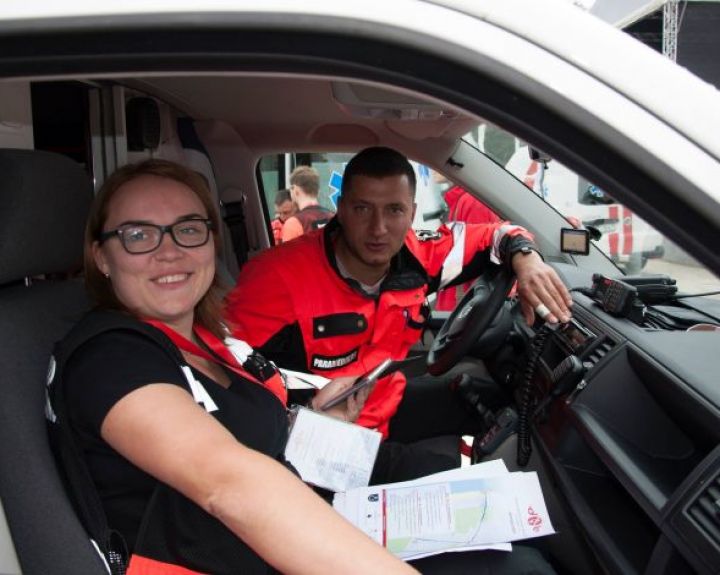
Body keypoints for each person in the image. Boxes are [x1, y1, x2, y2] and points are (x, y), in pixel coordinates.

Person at [50, 159, 415, 574]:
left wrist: (319, 420)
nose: (169, 252)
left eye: (188, 229)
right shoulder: (111, 359)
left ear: (211, 242)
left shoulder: (208, 338)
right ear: (101, 256)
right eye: (138, 235)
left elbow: (259, 449)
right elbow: (227, 483)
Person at [225, 146, 572, 447]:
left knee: (491, 403)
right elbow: (223, 381)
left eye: (394, 210)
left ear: (412, 212)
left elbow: (497, 235)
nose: (378, 229)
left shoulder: (420, 256)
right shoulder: (275, 279)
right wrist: (300, 423)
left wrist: (527, 260)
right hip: (316, 440)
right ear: (341, 209)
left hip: (384, 415)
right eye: (362, 209)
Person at [435, 172, 501, 311]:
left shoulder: (472, 202)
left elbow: (476, 262)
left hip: (462, 308)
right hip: (456, 302)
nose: (431, 169)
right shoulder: (462, 200)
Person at [281, 165, 335, 242]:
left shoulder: (293, 223)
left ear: (295, 189)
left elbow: (287, 254)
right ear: (317, 190)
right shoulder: (333, 217)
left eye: (291, 189)